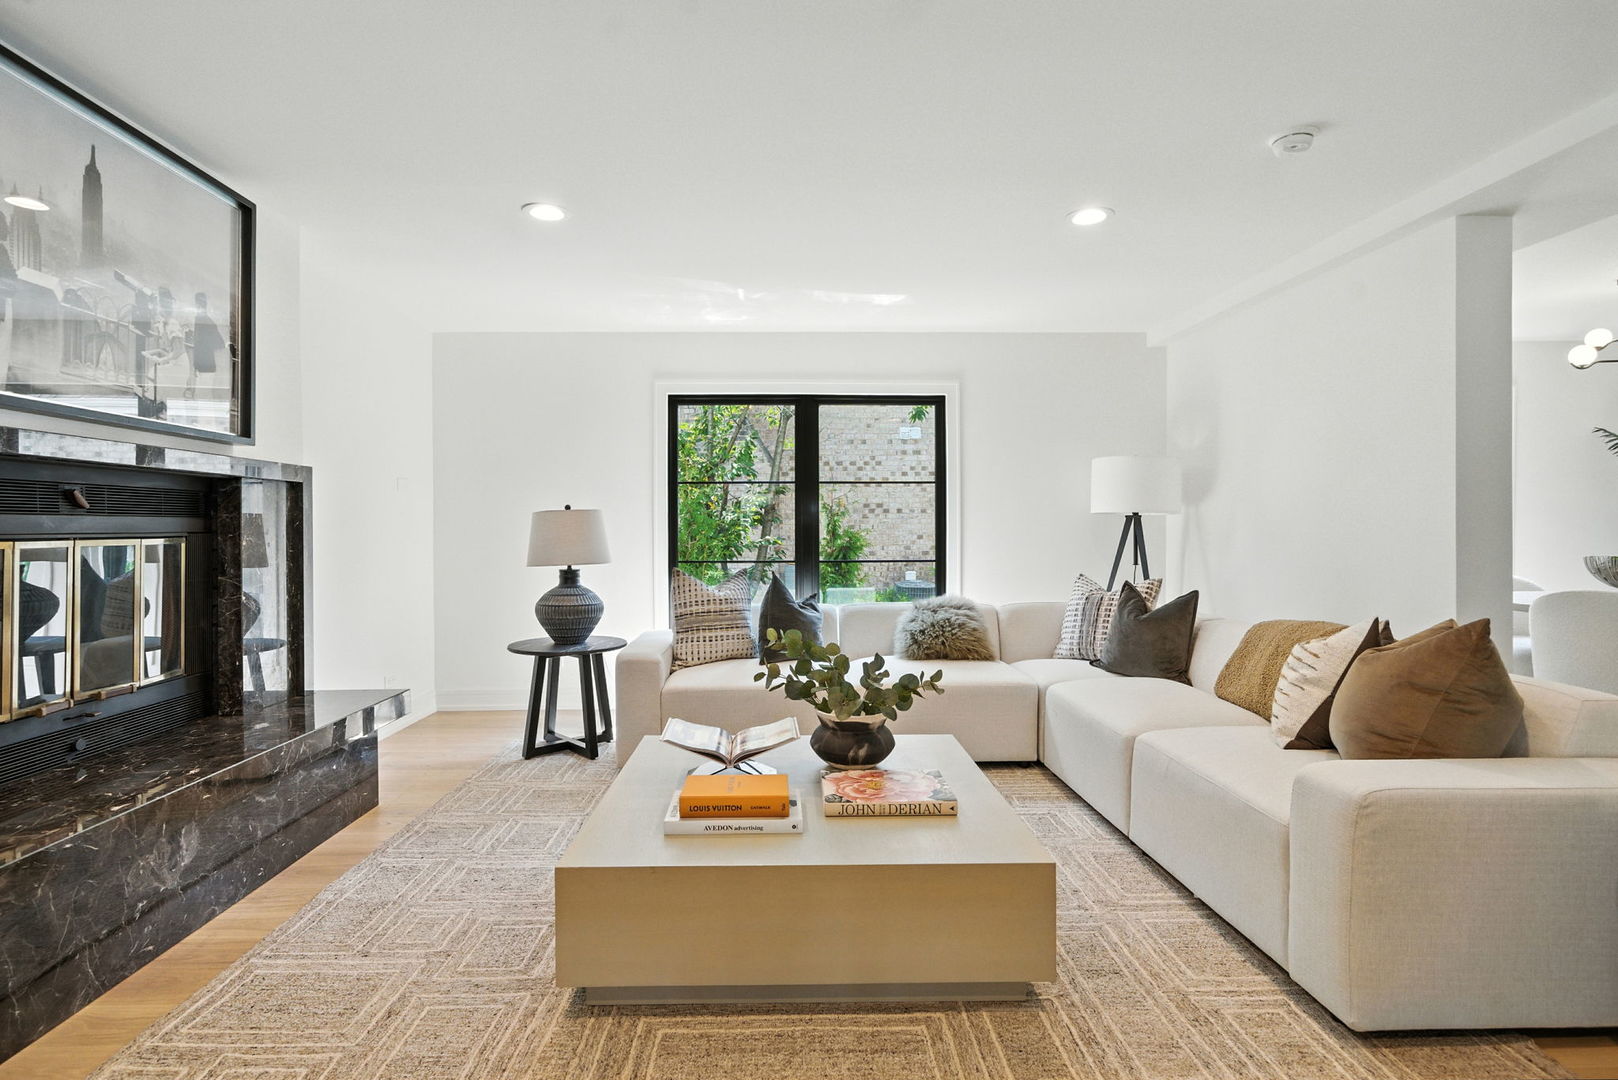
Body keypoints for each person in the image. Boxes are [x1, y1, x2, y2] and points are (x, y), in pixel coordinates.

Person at [189, 291, 225, 399]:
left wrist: (204, 344)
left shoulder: (204, 321)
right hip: (203, 365)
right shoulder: (203, 320)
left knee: (203, 396)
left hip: (206, 365)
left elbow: (220, 343)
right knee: (202, 396)